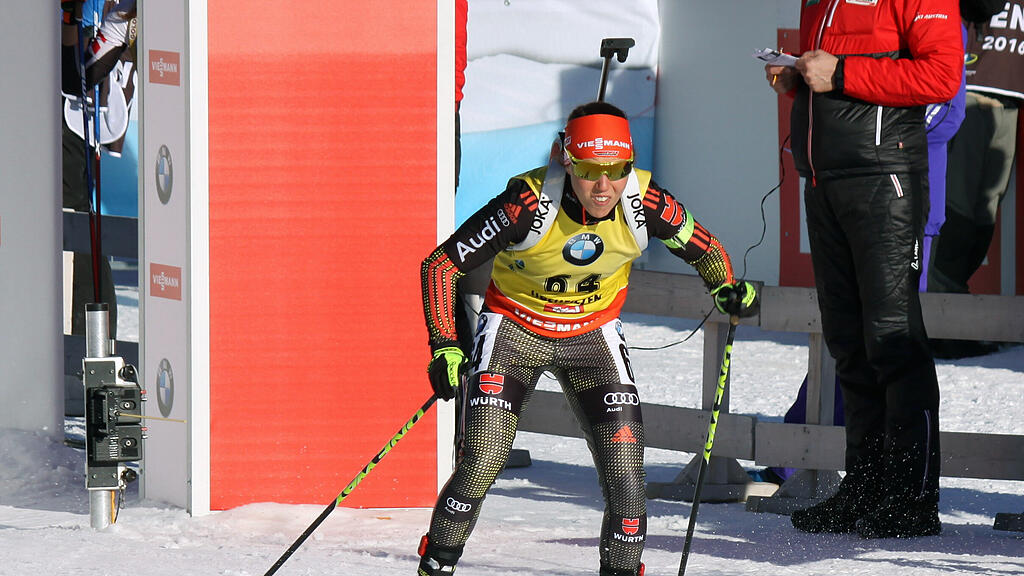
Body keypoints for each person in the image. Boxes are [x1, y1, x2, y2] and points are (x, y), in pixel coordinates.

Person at [415, 101, 759, 576]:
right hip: (515, 329)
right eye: (590, 171)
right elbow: (440, 264)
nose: (604, 187)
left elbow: (705, 250)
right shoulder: (528, 204)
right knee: (481, 462)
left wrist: (725, 286)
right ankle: (436, 565)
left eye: (616, 170)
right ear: (566, 161)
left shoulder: (646, 202)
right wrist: (445, 345)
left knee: (628, 481)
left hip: (592, 337)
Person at [765, 0, 962, 539]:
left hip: (884, 176)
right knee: (849, 344)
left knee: (893, 341)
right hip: (824, 176)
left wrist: (842, 72)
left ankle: (912, 498)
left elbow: (942, 76)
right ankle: (867, 486)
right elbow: (829, 74)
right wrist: (795, 77)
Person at [928, 0, 1022, 358]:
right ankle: (940, 317)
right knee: (958, 201)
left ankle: (953, 312)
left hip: (1010, 86)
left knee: (987, 204)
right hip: (968, 79)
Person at [61, 0, 138, 338]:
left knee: (72, 214)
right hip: (66, 83)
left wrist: (69, 16)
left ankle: (90, 339)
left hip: (76, 107)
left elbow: (76, 76)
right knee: (69, 213)